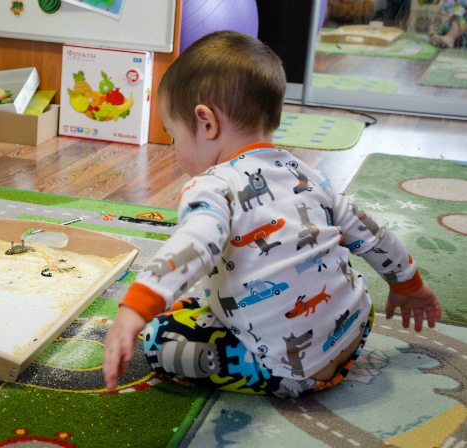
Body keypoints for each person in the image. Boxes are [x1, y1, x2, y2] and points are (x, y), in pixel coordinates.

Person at [102, 31, 441, 398]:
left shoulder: (212, 186)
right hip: (354, 329)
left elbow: (195, 244)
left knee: (158, 338)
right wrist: (409, 286)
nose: (173, 147)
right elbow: (372, 234)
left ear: (206, 122)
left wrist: (135, 308)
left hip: (286, 367)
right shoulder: (308, 175)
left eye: (172, 135)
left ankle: (270, 371)